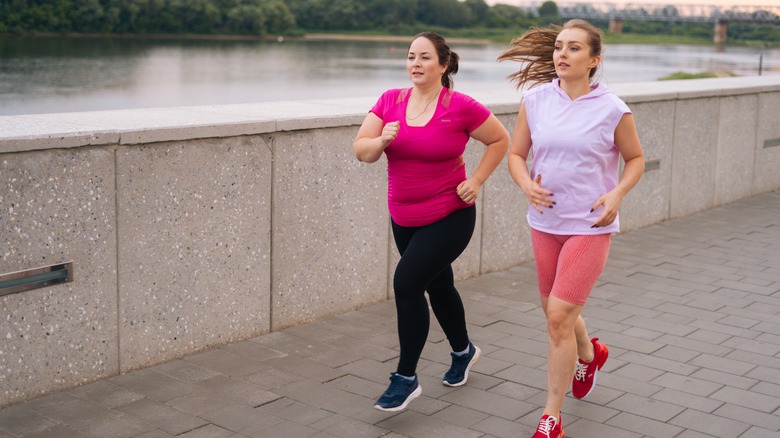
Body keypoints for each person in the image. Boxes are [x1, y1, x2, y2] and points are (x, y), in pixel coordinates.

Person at [498, 19, 645, 438]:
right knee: (553, 311)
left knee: (559, 316)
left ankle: (551, 417)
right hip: (545, 223)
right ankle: (590, 352)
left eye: (574, 48)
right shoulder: (536, 99)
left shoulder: (613, 108)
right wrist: (526, 184)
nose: (562, 54)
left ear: (593, 60)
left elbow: (634, 159)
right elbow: (516, 154)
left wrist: (616, 194)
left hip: (590, 225)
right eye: (559, 46)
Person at [353, 31, 509, 412]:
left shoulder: (460, 106)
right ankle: (463, 350)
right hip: (403, 216)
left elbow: (501, 139)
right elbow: (362, 151)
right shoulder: (390, 101)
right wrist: (381, 141)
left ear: (443, 64)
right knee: (438, 286)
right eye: (410, 57)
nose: (415, 64)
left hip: (450, 214)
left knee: (406, 284)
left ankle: (405, 378)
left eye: (424, 58)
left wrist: (475, 180)